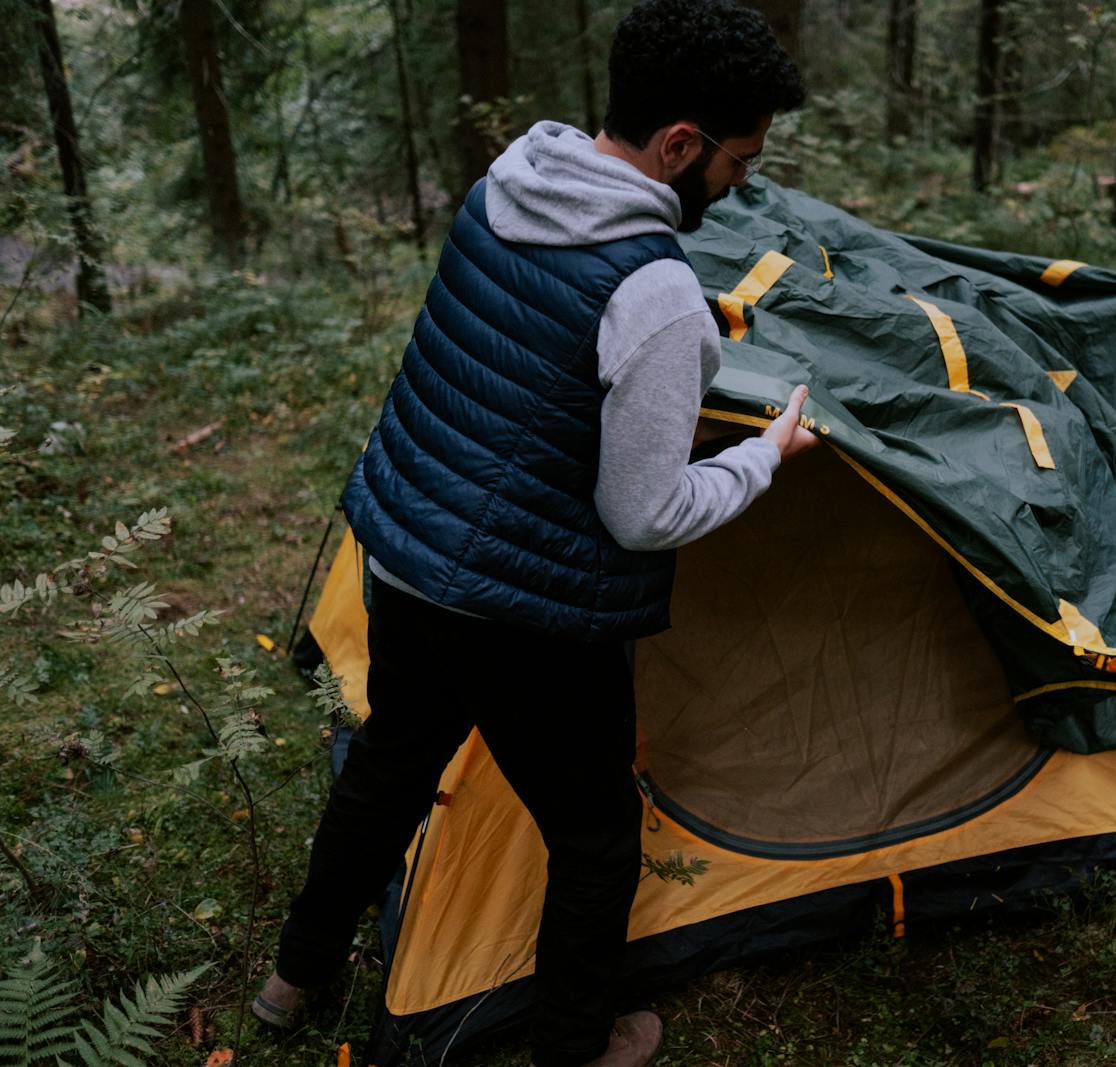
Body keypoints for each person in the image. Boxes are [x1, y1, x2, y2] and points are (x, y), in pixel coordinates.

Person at [252, 3, 808, 1065]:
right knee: (594, 836)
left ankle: (292, 978)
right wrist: (762, 455)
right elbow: (641, 513)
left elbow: (511, 373)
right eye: (739, 160)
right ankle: (577, 1043)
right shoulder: (655, 293)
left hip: (408, 558)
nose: (740, 182)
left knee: (386, 772)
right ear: (680, 144)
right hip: (528, 620)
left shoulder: (513, 176)